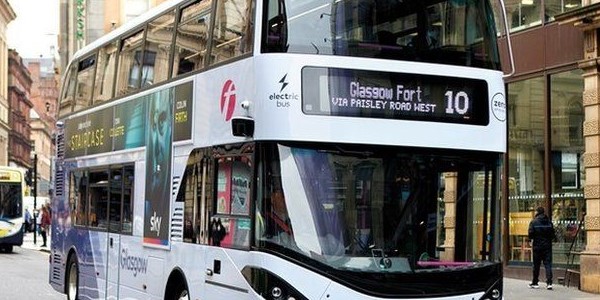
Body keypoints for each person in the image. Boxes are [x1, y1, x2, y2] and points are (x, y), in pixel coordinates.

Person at [528, 206, 556, 290]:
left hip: (537, 246)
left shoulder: (533, 222)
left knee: (536, 265)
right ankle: (549, 283)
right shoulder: (549, 222)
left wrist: (531, 240)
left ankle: (535, 282)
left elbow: (530, 233)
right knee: (548, 264)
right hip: (547, 246)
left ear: (537, 212)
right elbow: (553, 234)